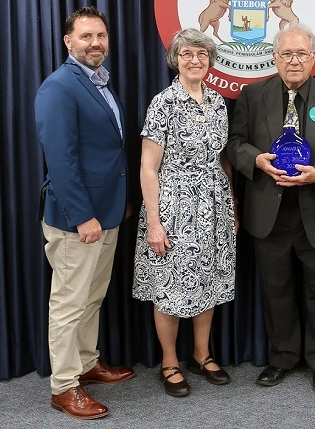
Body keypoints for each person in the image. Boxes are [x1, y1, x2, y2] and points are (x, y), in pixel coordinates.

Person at [225, 23, 315, 394]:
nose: (294, 61)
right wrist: (257, 161)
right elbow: (234, 143)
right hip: (268, 211)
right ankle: (283, 356)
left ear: (314, 58)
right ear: (274, 57)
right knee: (275, 289)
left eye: (301, 54)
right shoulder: (252, 96)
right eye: (286, 54)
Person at [35, 6, 135, 420]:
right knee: (69, 303)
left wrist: (120, 200)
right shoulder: (59, 86)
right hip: (79, 218)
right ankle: (63, 387)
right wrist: (82, 216)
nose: (96, 43)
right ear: (68, 41)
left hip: (107, 212)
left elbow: (107, 150)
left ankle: (87, 363)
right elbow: (61, 160)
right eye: (86, 37)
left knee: (92, 298)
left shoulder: (98, 82)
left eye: (101, 36)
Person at [132, 28, 236, 398]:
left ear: (210, 60)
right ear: (175, 59)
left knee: (206, 281)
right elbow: (148, 166)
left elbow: (222, 158)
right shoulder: (164, 103)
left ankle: (202, 354)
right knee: (171, 288)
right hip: (174, 207)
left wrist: (231, 205)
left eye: (202, 55)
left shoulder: (219, 102)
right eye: (188, 54)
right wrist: (155, 223)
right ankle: (169, 361)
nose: (195, 61)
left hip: (214, 205)